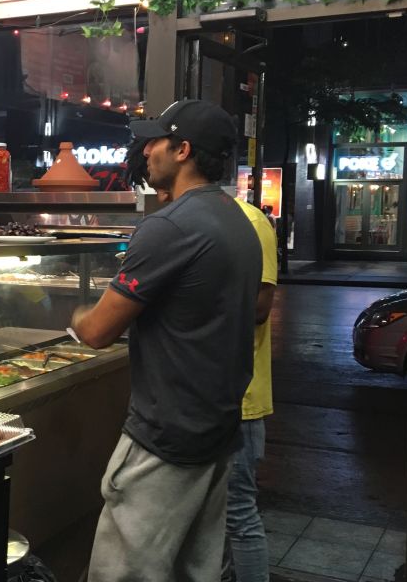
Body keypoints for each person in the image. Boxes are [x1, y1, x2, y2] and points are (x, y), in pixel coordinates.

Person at [71, 100, 262, 582]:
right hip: (215, 432)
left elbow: (96, 332)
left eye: (155, 140)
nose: (146, 149)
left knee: (125, 574)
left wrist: (71, 313)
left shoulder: (170, 227)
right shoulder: (238, 221)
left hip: (165, 441)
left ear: (183, 150)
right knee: (191, 572)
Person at [223, 197, 278, 582]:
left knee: (239, 513)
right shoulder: (186, 218)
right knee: (217, 516)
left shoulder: (251, 222)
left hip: (239, 399)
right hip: (203, 396)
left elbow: (260, 305)